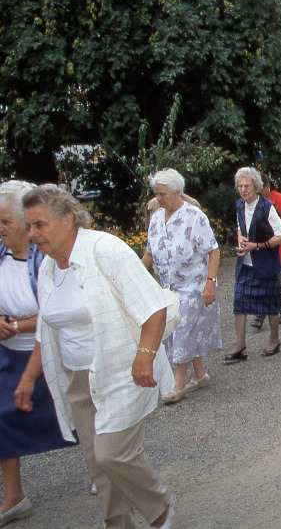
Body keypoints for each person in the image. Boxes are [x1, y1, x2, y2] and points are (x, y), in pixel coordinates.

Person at [15, 185, 175, 529]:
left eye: (40, 225)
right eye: (29, 226)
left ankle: (159, 507)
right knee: (97, 464)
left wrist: (145, 357)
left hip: (123, 370)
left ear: (69, 219)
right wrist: (29, 378)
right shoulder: (47, 268)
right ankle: (117, 524)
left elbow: (154, 309)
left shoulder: (106, 249)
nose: (33, 234)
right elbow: (47, 329)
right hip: (78, 378)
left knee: (112, 454)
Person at [0, 181, 74, 526]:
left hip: (52, 351)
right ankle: (14, 495)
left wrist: (19, 324)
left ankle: (102, 472)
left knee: (77, 414)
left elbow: (57, 310)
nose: (0, 229)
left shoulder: (47, 257)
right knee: (2, 418)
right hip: (10, 354)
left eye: (5, 222)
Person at [141, 169, 222, 403]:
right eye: (156, 194)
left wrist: (210, 283)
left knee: (183, 330)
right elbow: (149, 253)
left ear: (178, 192)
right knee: (177, 330)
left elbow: (213, 251)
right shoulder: (156, 217)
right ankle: (199, 375)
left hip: (194, 287)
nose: (158, 198)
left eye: (163, 194)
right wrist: (133, 273)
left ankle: (178, 383)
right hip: (168, 288)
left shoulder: (194, 216)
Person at [225, 167, 281, 361]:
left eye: (247, 186)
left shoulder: (267, 207)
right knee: (239, 302)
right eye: (240, 186)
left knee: (270, 304)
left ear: (256, 187)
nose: (243, 190)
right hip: (245, 263)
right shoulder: (239, 205)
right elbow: (239, 227)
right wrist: (241, 239)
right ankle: (240, 346)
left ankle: (274, 340)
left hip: (266, 263)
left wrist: (257, 246)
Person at [250, 173, 281, 329]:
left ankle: (260, 315)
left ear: (267, 186)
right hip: (263, 245)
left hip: (278, 244)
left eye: (259, 188)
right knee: (272, 278)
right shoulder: (254, 202)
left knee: (269, 277)